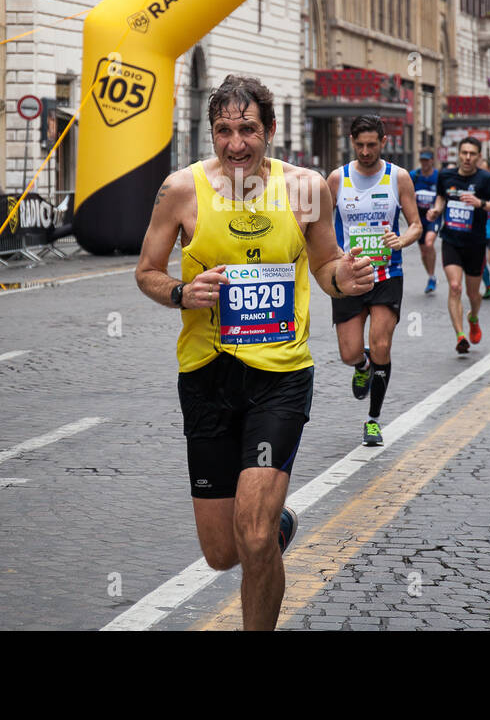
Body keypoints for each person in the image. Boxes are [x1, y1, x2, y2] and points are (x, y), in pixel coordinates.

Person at [134, 74, 375, 631]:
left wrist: (348, 278)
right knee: (223, 551)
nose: (235, 143)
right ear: (210, 134)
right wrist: (179, 292)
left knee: (255, 534)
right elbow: (146, 272)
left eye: (247, 129)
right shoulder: (181, 190)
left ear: (270, 130)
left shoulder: (306, 188)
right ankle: (279, 526)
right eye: (223, 130)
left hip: (280, 377)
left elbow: (324, 267)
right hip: (206, 376)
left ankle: (268, 537)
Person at [328, 116, 421, 447]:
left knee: (382, 344)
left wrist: (402, 240)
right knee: (349, 352)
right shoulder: (338, 179)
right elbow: (323, 227)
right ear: (352, 142)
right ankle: (362, 364)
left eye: (372, 145)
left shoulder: (398, 177)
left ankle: (373, 420)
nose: (366, 151)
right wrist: (337, 253)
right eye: (360, 145)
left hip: (386, 274)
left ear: (383, 142)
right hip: (350, 275)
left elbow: (415, 224)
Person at [425, 137, 490, 354]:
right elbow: (441, 198)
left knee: (473, 295)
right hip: (451, 241)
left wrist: (480, 203)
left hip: (476, 244)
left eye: (472, 154)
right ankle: (460, 335)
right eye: (464, 153)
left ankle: (473, 317)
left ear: (479, 156)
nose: (468, 157)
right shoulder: (445, 176)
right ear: (458, 154)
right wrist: (436, 211)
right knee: (454, 287)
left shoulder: (487, 180)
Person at [410, 150, 440, 294]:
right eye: (422, 160)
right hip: (419, 217)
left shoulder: (438, 177)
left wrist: (438, 210)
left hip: (433, 217)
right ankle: (431, 276)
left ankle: (432, 275)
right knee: (423, 251)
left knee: (429, 243)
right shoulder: (414, 176)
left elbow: (444, 196)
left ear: (432, 161)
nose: (424, 163)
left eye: (427, 160)